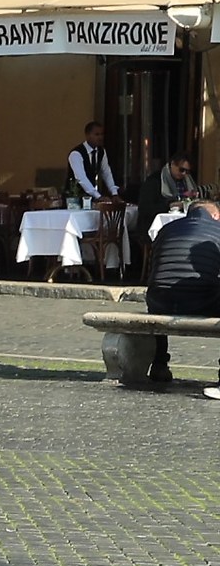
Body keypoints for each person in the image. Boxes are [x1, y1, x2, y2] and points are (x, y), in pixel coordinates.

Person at [139, 199, 220, 384]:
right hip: (202, 301)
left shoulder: (166, 229)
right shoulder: (217, 230)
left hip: (159, 301)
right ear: (215, 215)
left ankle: (159, 363)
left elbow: (155, 268)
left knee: (160, 295)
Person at [134, 150, 199, 231]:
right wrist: (170, 205)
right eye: (181, 170)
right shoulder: (154, 181)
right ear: (172, 164)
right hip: (157, 226)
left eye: (187, 171)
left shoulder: (188, 182)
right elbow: (144, 209)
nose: (184, 174)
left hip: (183, 224)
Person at [68, 120, 119, 202]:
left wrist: (114, 193)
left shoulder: (101, 152)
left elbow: (106, 173)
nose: (100, 137)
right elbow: (81, 178)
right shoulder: (76, 154)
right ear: (87, 135)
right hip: (74, 198)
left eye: (102, 134)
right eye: (96, 134)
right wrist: (98, 196)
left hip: (90, 197)